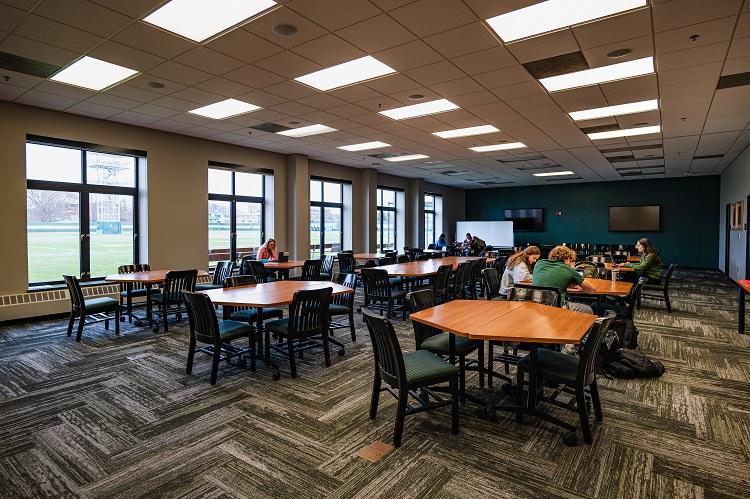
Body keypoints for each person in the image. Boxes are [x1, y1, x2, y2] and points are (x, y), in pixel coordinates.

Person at [532, 245, 596, 314]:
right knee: (588, 309)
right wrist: (581, 288)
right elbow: (592, 290)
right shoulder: (568, 270)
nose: (570, 263)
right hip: (556, 307)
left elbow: (551, 279)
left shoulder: (539, 263)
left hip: (536, 305)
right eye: (570, 260)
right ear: (567, 258)